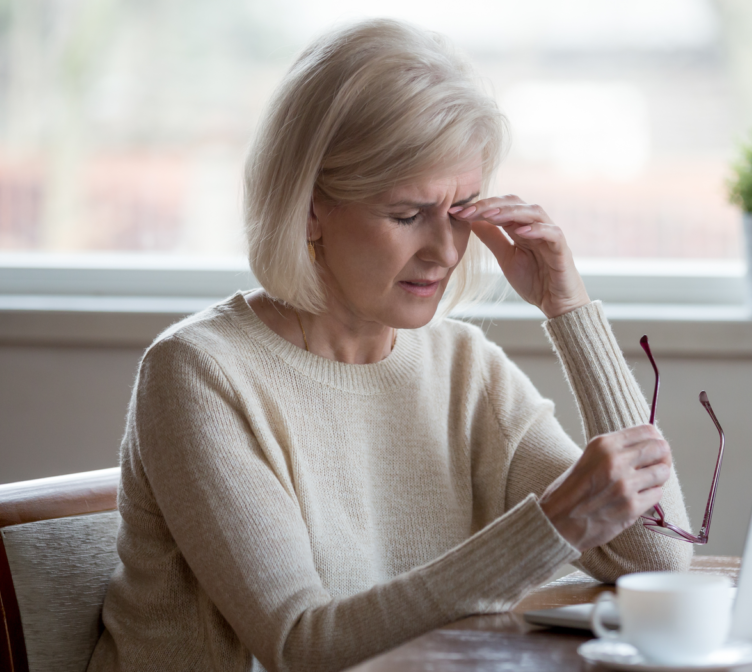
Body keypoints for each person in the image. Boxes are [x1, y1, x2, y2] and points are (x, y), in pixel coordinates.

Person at [87, 18, 691, 672]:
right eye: (407, 215)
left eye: (461, 212)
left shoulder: (464, 368)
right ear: (311, 207)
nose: (445, 251)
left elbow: (655, 556)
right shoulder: (199, 374)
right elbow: (301, 646)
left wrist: (569, 309)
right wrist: (553, 526)